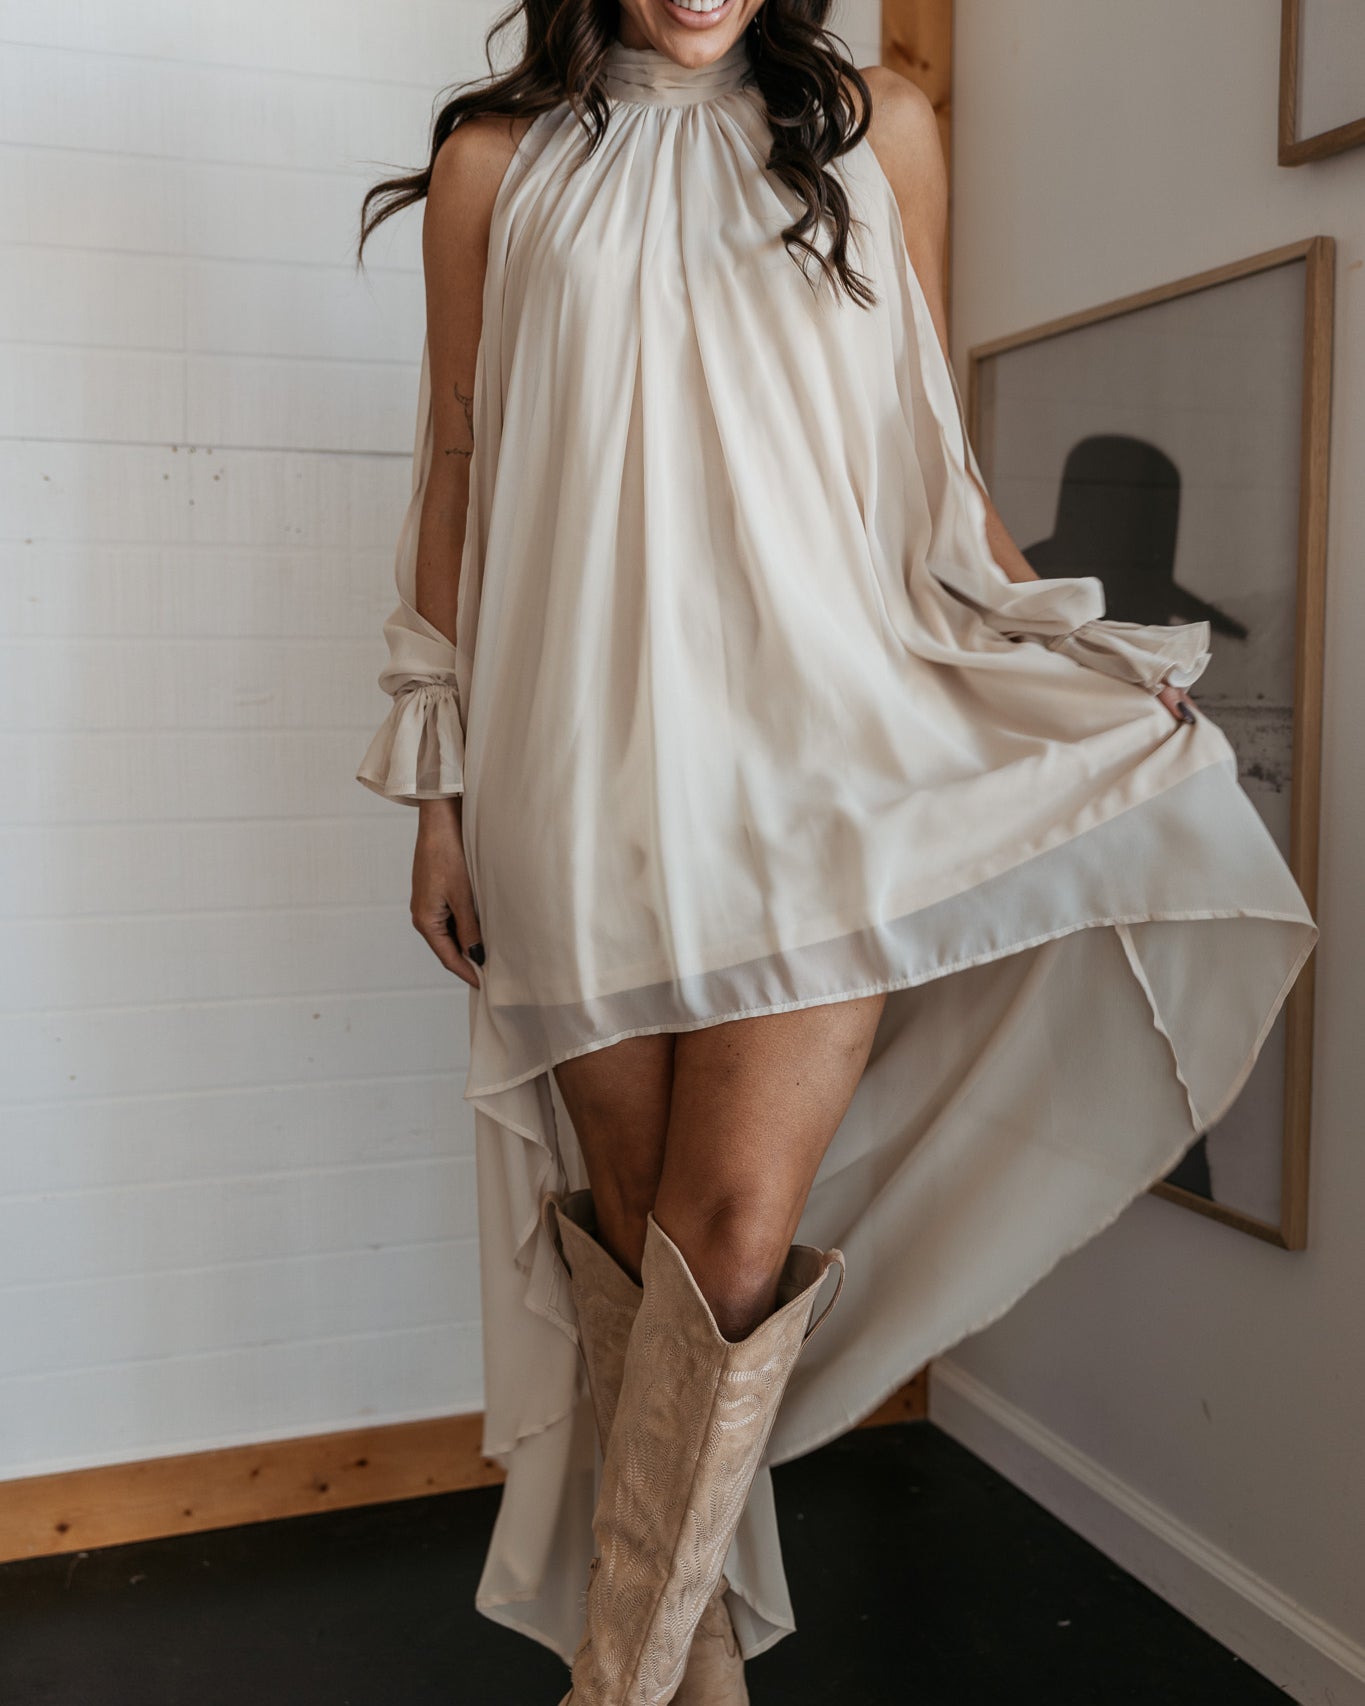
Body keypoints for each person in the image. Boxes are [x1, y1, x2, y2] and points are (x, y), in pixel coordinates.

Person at [353, 3, 1318, 1700]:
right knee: (635, 1231)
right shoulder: (492, 169)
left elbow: (923, 456)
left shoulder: (887, 128)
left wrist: (1049, 657)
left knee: (724, 1245)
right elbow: (457, 465)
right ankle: (692, 1651)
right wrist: (435, 783)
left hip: (825, 762)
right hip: (571, 761)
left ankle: (614, 1674)